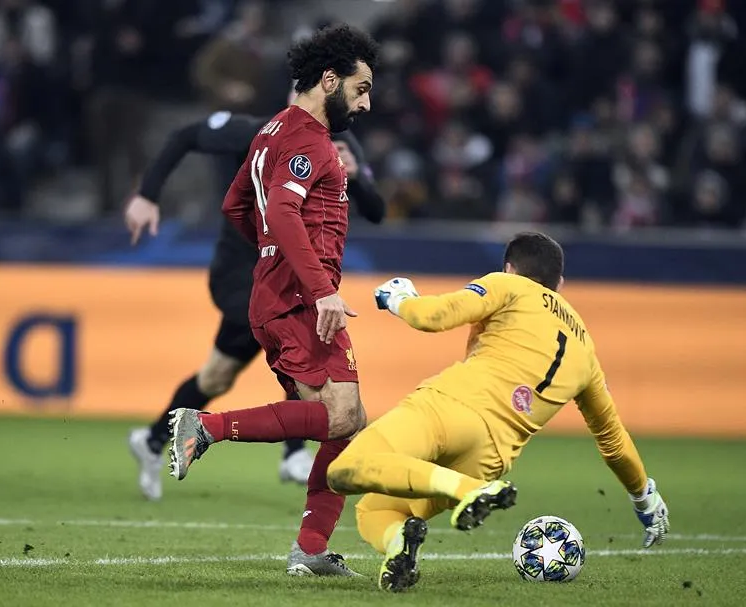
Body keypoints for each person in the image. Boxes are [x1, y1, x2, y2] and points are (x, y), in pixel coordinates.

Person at [321, 231, 670, 592]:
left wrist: (399, 298)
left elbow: (435, 316)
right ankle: (399, 548)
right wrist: (644, 496)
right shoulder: (586, 353)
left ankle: (467, 490)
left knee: (344, 470)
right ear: (560, 284)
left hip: (452, 407)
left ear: (509, 268)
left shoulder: (509, 286)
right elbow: (612, 440)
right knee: (375, 510)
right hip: (491, 457)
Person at [167, 24, 380, 577]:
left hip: (279, 293)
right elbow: (282, 213)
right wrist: (318, 286)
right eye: (360, 88)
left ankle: (310, 550)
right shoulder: (309, 142)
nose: (366, 101)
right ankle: (204, 428)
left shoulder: (270, 133)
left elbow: (237, 206)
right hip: (300, 301)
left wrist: (269, 255)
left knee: (345, 423)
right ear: (328, 81)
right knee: (342, 418)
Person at [124, 109, 385, 502]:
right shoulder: (256, 132)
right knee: (302, 346)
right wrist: (147, 194)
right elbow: (184, 136)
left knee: (217, 377)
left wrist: (354, 179)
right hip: (243, 273)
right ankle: (294, 452)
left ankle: (154, 437)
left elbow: (376, 210)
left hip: (289, 281)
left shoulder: (338, 143)